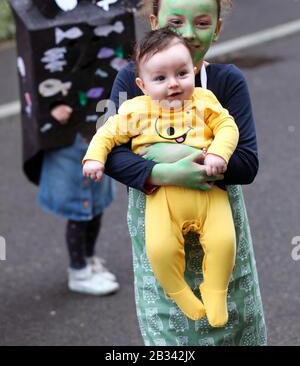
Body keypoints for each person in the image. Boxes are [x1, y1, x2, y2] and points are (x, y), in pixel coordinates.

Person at [103, 0, 267, 345]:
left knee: (233, 318)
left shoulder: (227, 81)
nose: (189, 34)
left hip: (219, 217)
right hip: (157, 212)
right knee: (171, 330)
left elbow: (247, 162)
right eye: (176, 23)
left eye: (203, 23)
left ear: (218, 29)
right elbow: (109, 151)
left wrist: (191, 160)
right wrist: (167, 173)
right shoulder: (131, 80)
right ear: (155, 21)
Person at [83, 28, 239, 326]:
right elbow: (107, 134)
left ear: (193, 70)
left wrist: (219, 153)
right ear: (142, 84)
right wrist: (94, 158)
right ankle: (179, 291)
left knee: (224, 241)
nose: (173, 84)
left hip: (208, 191)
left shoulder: (204, 100)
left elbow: (227, 127)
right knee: (160, 249)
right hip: (162, 197)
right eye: (160, 78)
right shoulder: (135, 110)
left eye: (181, 73)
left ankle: (215, 290)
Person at [38, 115, 119, 296]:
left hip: (93, 134)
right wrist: (55, 105)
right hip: (69, 141)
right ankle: (79, 272)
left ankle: (89, 259)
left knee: (96, 210)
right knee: (79, 214)